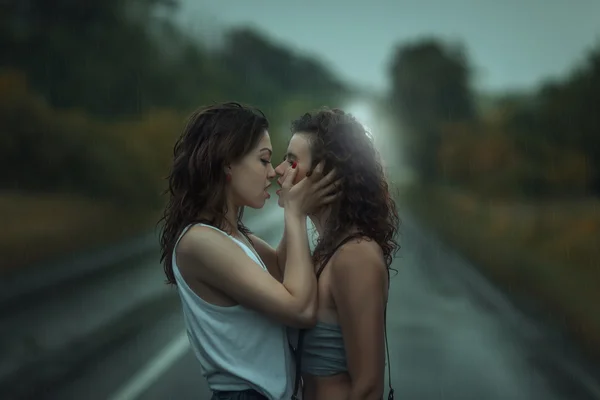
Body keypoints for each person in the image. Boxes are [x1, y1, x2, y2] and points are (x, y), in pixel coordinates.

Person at [158, 102, 340, 400]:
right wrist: (294, 214)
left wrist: (298, 208)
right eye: (264, 160)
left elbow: (287, 274)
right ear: (228, 163)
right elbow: (301, 309)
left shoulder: (235, 236)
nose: (271, 173)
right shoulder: (199, 242)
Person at [273, 108, 400, 400]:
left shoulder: (356, 256)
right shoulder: (326, 250)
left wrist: (296, 210)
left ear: (325, 175)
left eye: (292, 161)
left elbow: (368, 388)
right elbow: (273, 269)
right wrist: (295, 214)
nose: (279, 170)